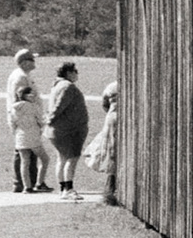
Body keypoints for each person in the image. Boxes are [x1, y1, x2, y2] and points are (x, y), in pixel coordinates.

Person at [44, 62, 89, 198]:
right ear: (68, 73)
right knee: (72, 158)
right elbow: (59, 106)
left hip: (59, 130)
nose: (77, 74)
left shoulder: (57, 86)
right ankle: (68, 189)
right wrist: (50, 119)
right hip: (69, 130)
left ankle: (63, 188)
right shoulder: (67, 87)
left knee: (62, 158)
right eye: (75, 71)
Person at [3, 48, 38, 193]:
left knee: (27, 151)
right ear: (24, 62)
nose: (34, 62)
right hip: (24, 120)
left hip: (27, 119)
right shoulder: (20, 77)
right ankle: (21, 183)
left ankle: (27, 182)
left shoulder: (22, 75)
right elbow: (19, 100)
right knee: (24, 151)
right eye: (31, 60)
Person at [84, 80, 121, 203]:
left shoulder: (111, 86)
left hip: (111, 118)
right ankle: (111, 192)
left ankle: (109, 191)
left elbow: (105, 105)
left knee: (112, 154)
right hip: (119, 118)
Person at [8, 84, 46, 193]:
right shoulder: (33, 107)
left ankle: (27, 187)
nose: (33, 95)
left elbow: (12, 124)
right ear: (26, 96)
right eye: (31, 94)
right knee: (45, 159)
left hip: (20, 137)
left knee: (24, 162)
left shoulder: (13, 108)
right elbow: (41, 121)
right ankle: (39, 183)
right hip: (33, 136)